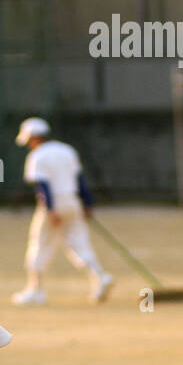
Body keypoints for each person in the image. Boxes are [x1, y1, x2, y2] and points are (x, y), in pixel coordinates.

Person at [12, 116, 113, 306]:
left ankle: (36, 290)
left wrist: (51, 209)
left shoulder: (37, 156)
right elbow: (80, 179)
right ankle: (100, 276)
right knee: (78, 242)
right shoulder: (67, 150)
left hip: (54, 204)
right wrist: (87, 203)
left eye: (28, 140)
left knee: (40, 243)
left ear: (34, 137)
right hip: (73, 201)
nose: (28, 145)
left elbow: (43, 185)